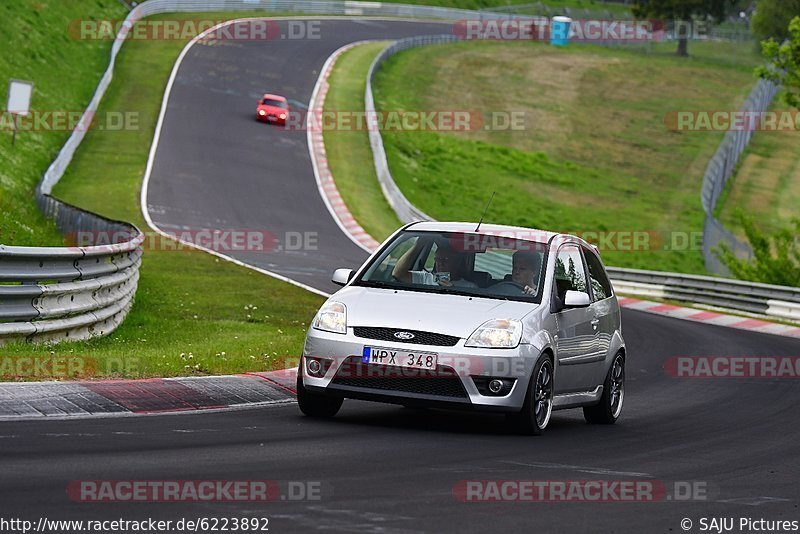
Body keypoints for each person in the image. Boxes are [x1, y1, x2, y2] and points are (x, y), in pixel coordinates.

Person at [392, 239, 477, 288]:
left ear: (457, 263)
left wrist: (453, 291)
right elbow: (398, 274)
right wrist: (417, 246)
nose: (441, 263)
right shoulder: (425, 278)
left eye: (446, 260)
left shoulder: (469, 287)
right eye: (438, 259)